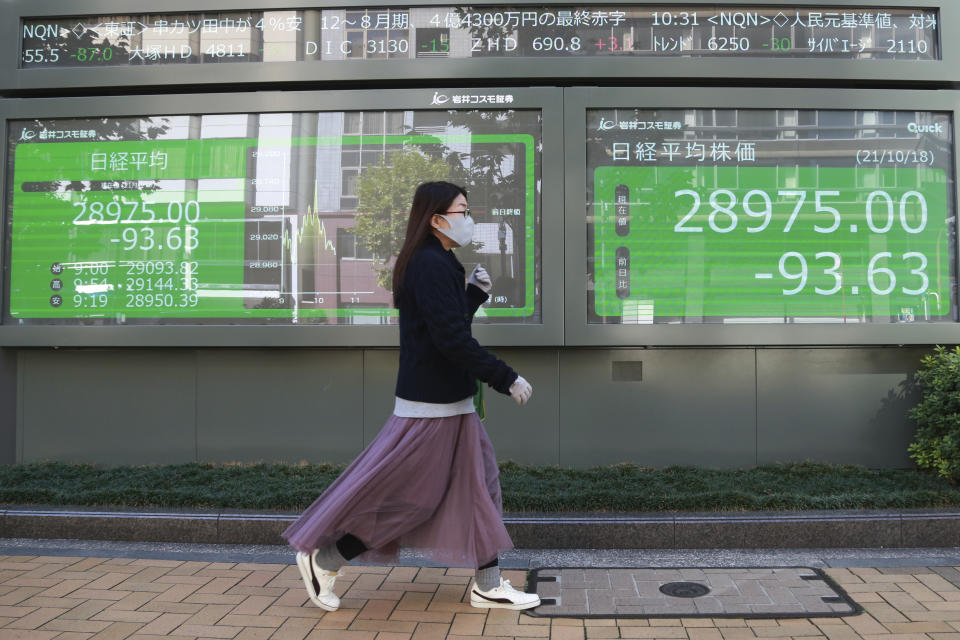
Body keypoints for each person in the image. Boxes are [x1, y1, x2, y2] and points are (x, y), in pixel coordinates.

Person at [282, 181, 539, 612]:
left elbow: (440, 327)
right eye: (462, 211)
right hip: (433, 407)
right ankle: (323, 558)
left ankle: (488, 584)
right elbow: (450, 341)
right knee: (412, 499)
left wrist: (472, 296)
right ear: (436, 219)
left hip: (450, 404)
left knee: (483, 487)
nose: (469, 218)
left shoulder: (438, 261)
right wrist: (505, 377)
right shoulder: (429, 264)